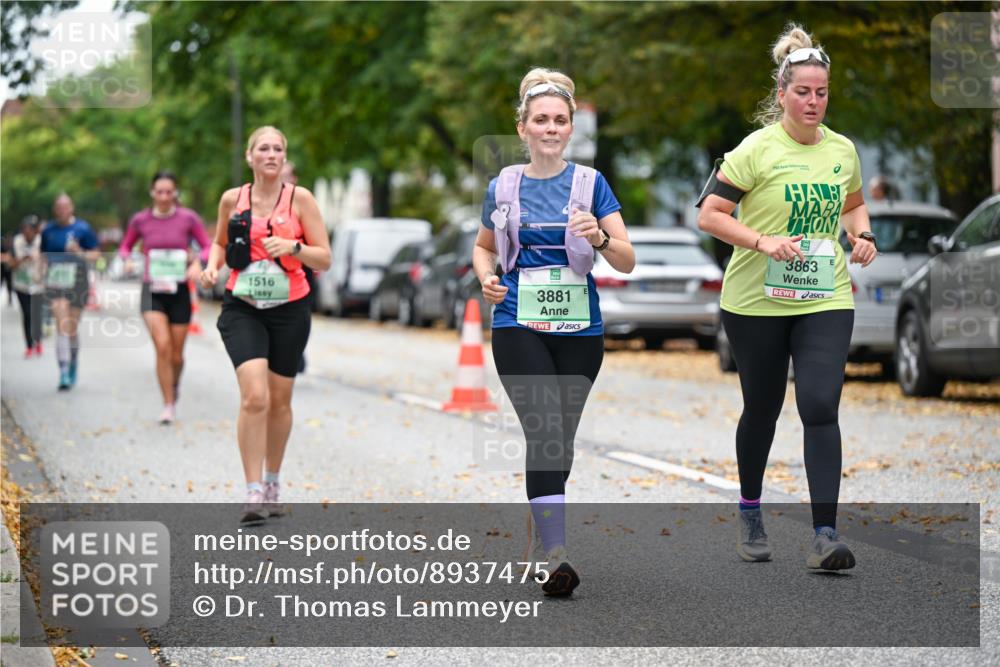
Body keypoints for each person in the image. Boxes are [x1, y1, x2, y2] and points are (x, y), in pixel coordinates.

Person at [696, 24, 878, 571]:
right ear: (782, 94)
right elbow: (709, 215)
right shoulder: (756, 149)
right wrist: (763, 241)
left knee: (820, 404)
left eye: (822, 92)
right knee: (764, 407)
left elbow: (853, 205)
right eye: (803, 91)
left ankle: (825, 534)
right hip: (755, 299)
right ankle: (750, 509)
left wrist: (862, 235)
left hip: (824, 294)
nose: (813, 101)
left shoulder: (843, 150)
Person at [473, 68, 635, 596]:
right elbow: (482, 248)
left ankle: (539, 533)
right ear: (522, 128)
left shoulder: (591, 183)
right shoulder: (503, 185)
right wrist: (487, 279)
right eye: (540, 120)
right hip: (517, 321)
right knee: (544, 431)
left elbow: (628, 259)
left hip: (580, 330)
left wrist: (602, 239)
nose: (550, 128)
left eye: (559, 120)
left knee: (558, 442)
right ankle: (557, 554)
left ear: (570, 129)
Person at [200, 126, 331, 525]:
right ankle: (252, 490)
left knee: (279, 400)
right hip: (243, 306)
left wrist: (293, 247)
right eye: (263, 148)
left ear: (283, 156)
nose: (271, 154)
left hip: (290, 307)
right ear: (250, 156)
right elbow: (221, 242)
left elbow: (323, 257)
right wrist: (211, 266)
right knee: (254, 396)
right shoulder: (232, 199)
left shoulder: (300, 199)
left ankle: (273, 480)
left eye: (277, 148)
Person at [119, 171, 212, 424]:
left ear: (175, 193)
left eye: (168, 192)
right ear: (152, 193)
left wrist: (198, 264)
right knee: (162, 347)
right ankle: (168, 403)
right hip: (152, 291)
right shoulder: (140, 220)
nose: (163, 196)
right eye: (159, 192)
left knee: (176, 356)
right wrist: (127, 260)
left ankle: (174, 384)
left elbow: (207, 246)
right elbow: (125, 246)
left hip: (179, 290)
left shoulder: (188, 218)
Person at [41, 193, 100, 390]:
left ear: (72, 207)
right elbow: (43, 255)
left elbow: (95, 254)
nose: (62, 210)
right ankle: (63, 371)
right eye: (58, 206)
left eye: (65, 206)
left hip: (78, 282)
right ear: (54, 209)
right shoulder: (48, 230)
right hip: (56, 281)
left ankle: (73, 361)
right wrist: (40, 273)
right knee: (62, 325)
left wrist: (79, 252)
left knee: (72, 328)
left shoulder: (83, 228)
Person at [281, 160, 314, 375]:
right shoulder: (253, 202)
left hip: (299, 272)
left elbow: (318, 246)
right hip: (266, 275)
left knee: (296, 318)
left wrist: (295, 247)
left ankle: (295, 352)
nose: (283, 181)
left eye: (287, 176)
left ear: (294, 179)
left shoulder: (303, 204)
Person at [10, 216, 45, 357]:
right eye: (25, 229)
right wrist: (21, 259)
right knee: (27, 315)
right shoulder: (17, 241)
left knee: (37, 314)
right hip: (21, 284)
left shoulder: (41, 241)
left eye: (30, 229)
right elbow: (11, 263)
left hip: (38, 284)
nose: (27, 232)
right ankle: (29, 345)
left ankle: (38, 341)